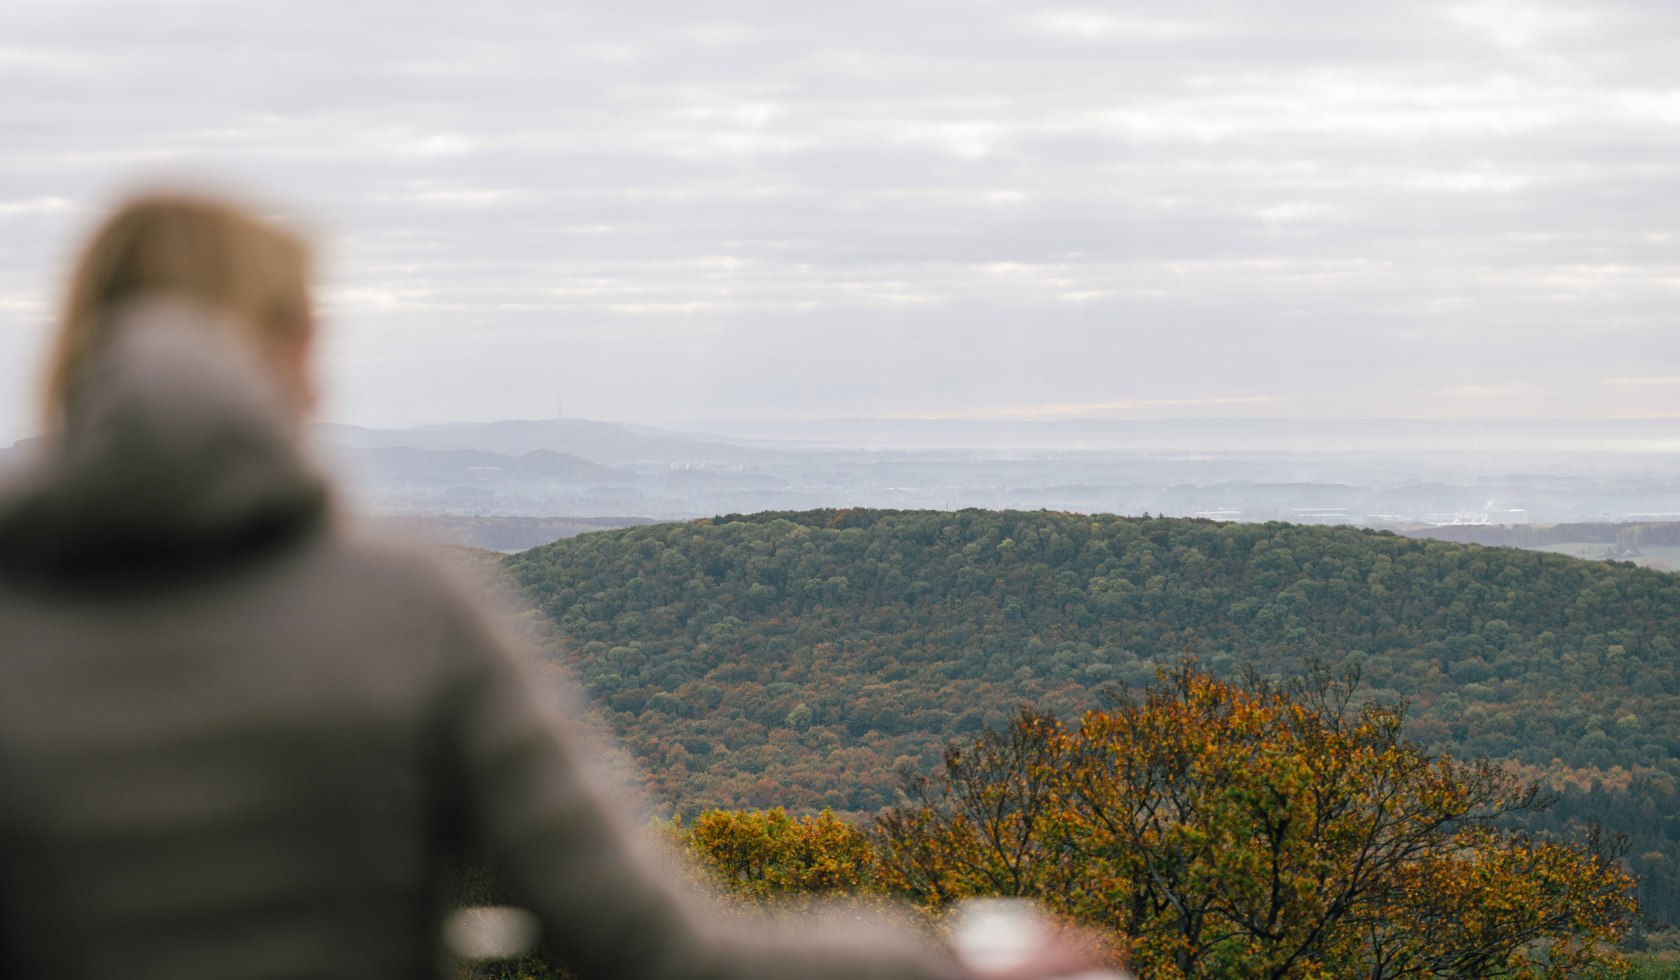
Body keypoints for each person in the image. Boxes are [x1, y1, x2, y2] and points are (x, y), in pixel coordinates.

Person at [0, 192, 1101, 980]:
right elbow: (657, 944)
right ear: (275, 350)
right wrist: (939, 959)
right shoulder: (402, 609)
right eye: (310, 341)